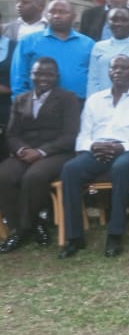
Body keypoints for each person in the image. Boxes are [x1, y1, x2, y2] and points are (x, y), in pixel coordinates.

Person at [58, 55, 129, 258]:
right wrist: (93, 146)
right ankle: (74, 238)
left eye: (124, 68)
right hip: (99, 150)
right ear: (108, 72)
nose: (118, 71)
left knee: (120, 167)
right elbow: (83, 135)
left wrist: (122, 147)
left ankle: (115, 234)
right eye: (114, 68)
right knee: (70, 169)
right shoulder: (95, 100)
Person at [0, 58, 80, 252]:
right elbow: (11, 134)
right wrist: (22, 150)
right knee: (4, 175)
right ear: (31, 75)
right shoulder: (21, 99)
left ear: (56, 76)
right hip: (25, 152)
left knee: (34, 177)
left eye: (48, 74)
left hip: (56, 153)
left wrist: (41, 152)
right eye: (38, 74)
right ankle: (24, 226)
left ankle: (25, 229)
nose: (43, 78)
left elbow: (70, 135)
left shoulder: (68, 98)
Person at [10, 0, 95, 99]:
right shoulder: (28, 41)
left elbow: (94, 77)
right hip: (39, 102)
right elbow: (18, 76)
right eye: (52, 12)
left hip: (79, 102)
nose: (56, 16)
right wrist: (20, 102)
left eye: (62, 12)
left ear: (74, 16)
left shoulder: (88, 43)